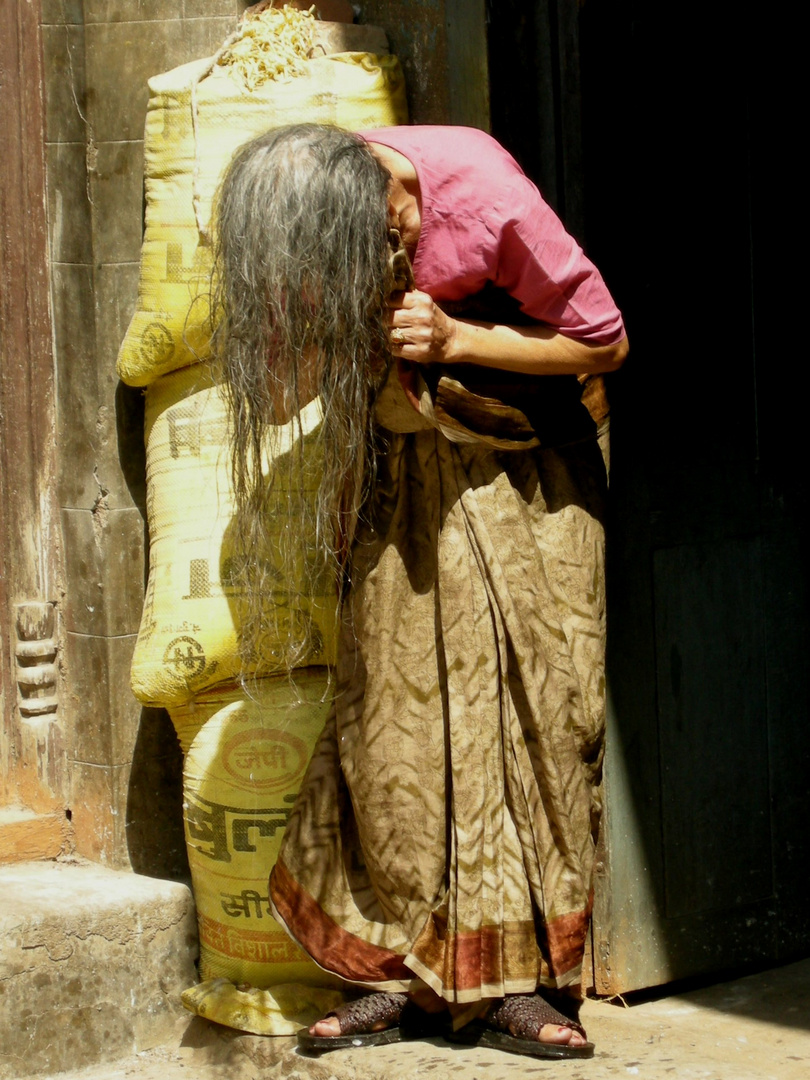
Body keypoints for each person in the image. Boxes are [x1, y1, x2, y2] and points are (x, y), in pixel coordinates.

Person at [213, 123, 627, 1060]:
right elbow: (281, 393)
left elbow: (604, 342)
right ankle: (398, 976)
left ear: (396, 202)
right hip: (397, 484)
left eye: (392, 241)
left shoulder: (480, 191)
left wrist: (455, 335)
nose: (393, 256)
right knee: (390, 730)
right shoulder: (314, 214)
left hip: (523, 481)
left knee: (532, 719)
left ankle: (523, 988)